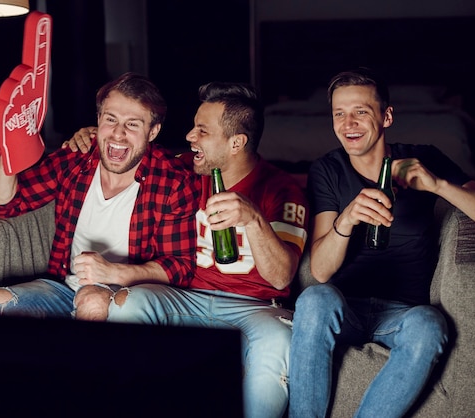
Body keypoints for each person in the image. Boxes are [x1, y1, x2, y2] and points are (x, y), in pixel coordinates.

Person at [65, 82, 309, 418]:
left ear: (236, 142)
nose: (190, 137)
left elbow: (282, 275)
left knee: (279, 345)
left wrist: (253, 220)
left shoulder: (282, 189)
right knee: (126, 305)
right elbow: (127, 146)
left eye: (202, 131)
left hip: (254, 308)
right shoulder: (184, 169)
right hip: (185, 296)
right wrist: (93, 136)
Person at [288, 68, 475, 418]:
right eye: (339, 113)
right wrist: (346, 220)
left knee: (430, 323)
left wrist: (438, 185)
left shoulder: (423, 160)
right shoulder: (327, 170)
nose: (348, 123)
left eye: (361, 111)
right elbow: (319, 270)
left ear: (387, 116)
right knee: (315, 298)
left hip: (403, 313)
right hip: (343, 306)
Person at [0, 72, 201, 320]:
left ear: (153, 132)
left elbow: (180, 267)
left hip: (128, 295)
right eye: (110, 119)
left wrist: (113, 273)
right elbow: (3, 204)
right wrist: (11, 146)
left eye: (132, 124)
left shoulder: (173, 180)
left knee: (92, 301)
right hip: (62, 288)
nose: (118, 134)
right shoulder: (77, 157)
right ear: (99, 119)